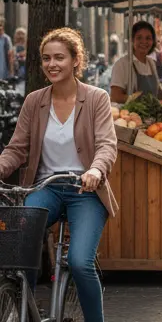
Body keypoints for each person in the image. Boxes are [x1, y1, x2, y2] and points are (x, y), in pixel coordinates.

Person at [0, 27, 118, 322]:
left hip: (85, 190)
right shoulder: (34, 101)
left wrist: (95, 169)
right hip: (45, 189)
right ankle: (24, 309)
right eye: (45, 59)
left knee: (80, 262)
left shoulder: (96, 99)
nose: (52, 64)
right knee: (18, 253)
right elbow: (17, 149)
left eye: (59, 58)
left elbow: (106, 145)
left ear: (76, 60)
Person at [109, 21, 162, 103]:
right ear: (132, 40)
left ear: (153, 41)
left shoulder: (151, 63)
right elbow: (115, 97)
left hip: (152, 114)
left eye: (148, 38)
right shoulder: (122, 64)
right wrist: (138, 100)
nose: (144, 42)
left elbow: (158, 92)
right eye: (139, 38)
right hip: (132, 114)